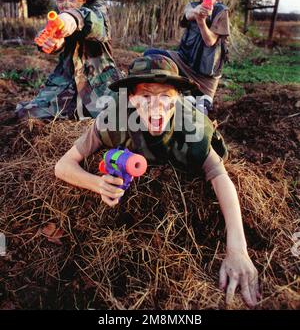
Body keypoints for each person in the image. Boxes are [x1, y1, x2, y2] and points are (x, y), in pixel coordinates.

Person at [55, 54, 260, 307]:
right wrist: (96, 183)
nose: (155, 106)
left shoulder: (193, 128)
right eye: (146, 96)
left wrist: (238, 250)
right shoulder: (113, 119)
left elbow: (220, 177)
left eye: (165, 96)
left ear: (177, 98)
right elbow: (63, 165)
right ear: (131, 97)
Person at [16, 0, 121, 120]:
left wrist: (70, 19)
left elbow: (92, 23)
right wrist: (54, 43)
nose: (65, 4)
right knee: (26, 114)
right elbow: (51, 35)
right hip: (67, 86)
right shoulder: (59, 17)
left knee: (119, 118)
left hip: (100, 86)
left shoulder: (98, 10)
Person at [144, 0, 230, 114]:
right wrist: (197, 12)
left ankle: (194, 96)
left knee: (199, 111)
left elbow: (210, 42)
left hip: (206, 77)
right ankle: (179, 90)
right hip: (183, 63)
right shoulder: (192, 6)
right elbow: (188, 14)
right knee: (150, 55)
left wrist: (202, 22)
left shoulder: (221, 11)